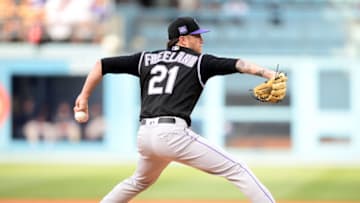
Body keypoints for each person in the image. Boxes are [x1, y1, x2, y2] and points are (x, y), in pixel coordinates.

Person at [74, 16, 277, 203]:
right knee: (238, 168)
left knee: (139, 181)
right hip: (172, 134)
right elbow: (239, 64)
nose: (201, 40)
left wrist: (83, 97)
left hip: (145, 135)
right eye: (196, 36)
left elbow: (101, 64)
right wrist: (268, 74)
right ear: (182, 40)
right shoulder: (200, 62)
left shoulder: (145, 58)